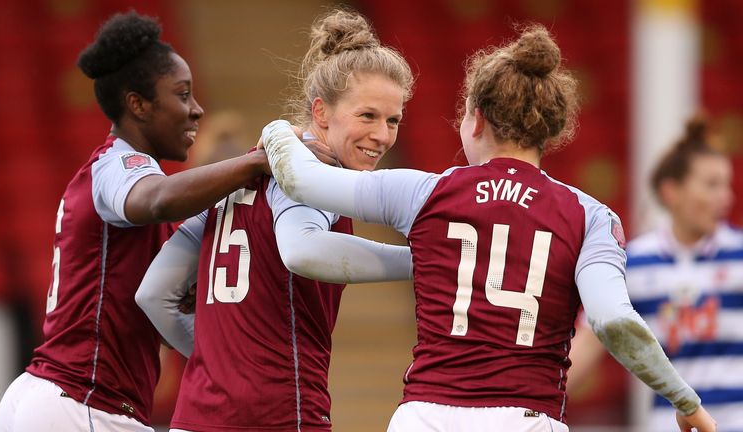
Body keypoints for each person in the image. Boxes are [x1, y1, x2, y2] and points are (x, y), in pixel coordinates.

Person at [260, 25, 717, 432]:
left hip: (426, 417)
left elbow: (304, 180)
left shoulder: (424, 192)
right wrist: (684, 399)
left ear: (475, 118)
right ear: (548, 130)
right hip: (526, 417)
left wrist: (278, 131)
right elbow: (614, 321)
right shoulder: (592, 218)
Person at [0, 11, 276, 432]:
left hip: (55, 395)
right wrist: (255, 162)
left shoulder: (116, 176)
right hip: (85, 401)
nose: (196, 110)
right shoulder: (121, 163)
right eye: (182, 95)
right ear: (137, 104)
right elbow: (156, 199)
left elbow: (149, 302)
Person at [135, 9, 415, 432]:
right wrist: (420, 258)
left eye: (393, 120)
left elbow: (154, 294)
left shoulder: (240, 172)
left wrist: (222, 363)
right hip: (278, 413)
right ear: (321, 113)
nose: (383, 136)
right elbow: (302, 250)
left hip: (196, 416)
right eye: (367, 116)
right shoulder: (312, 174)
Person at [624, 116, 741, 431]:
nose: (726, 197)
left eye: (726, 185)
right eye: (712, 185)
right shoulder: (633, 262)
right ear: (671, 192)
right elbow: (589, 344)